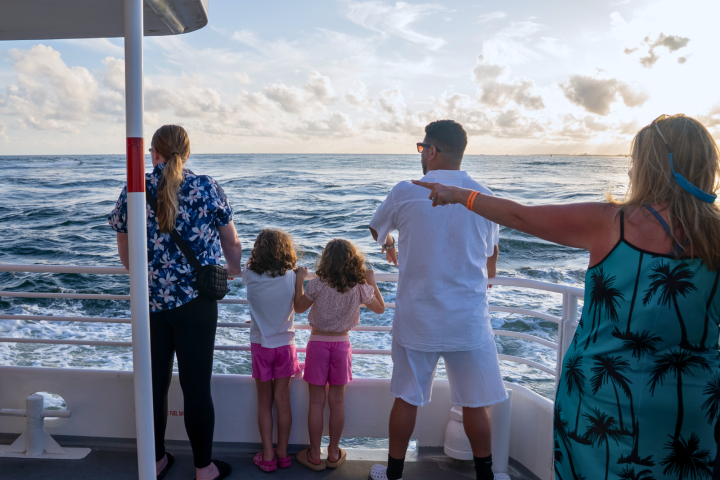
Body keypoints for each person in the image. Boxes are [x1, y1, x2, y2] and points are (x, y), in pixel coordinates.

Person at [413, 114, 720, 480]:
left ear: (651, 165)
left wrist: (460, 195)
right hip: (693, 405)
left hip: (599, 399)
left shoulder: (612, 222)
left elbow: (521, 217)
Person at [368, 120, 507, 480]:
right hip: (468, 318)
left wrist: (389, 242)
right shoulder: (483, 195)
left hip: (418, 315)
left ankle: (394, 474)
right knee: (476, 402)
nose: (421, 154)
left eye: (421, 148)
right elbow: (491, 258)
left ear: (432, 151)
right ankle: (486, 477)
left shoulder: (405, 190)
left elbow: (375, 228)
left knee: (406, 396)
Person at [109, 125, 241, 480]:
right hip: (197, 301)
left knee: (154, 385)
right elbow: (232, 244)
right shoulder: (207, 188)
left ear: (154, 152)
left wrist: (152, 280)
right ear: (187, 151)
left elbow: (125, 254)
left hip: (150, 303)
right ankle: (204, 468)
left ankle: (154, 462)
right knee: (196, 386)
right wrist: (231, 272)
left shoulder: (134, 190)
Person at [293, 239, 385, 471]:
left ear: (326, 260)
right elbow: (380, 308)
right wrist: (372, 283)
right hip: (342, 345)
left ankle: (315, 454)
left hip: (318, 344)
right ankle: (333, 453)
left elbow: (299, 307)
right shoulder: (358, 287)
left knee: (316, 402)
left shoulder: (318, 285)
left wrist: (299, 281)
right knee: (337, 402)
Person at [242, 229, 301, 472]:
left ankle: (267, 456)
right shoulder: (291, 277)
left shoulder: (250, 275)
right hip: (285, 347)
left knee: (264, 402)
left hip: (261, 347)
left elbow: (243, 266)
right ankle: (283, 455)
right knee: (283, 401)